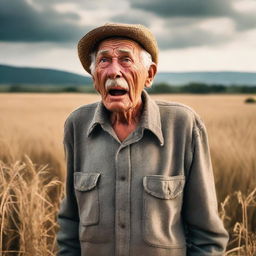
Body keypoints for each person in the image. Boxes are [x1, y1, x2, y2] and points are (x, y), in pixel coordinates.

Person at [57, 23, 229, 256]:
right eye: (103, 60)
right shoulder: (77, 124)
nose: (114, 71)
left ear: (149, 75)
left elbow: (207, 235)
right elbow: (70, 223)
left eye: (126, 60)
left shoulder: (183, 124)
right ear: (94, 77)